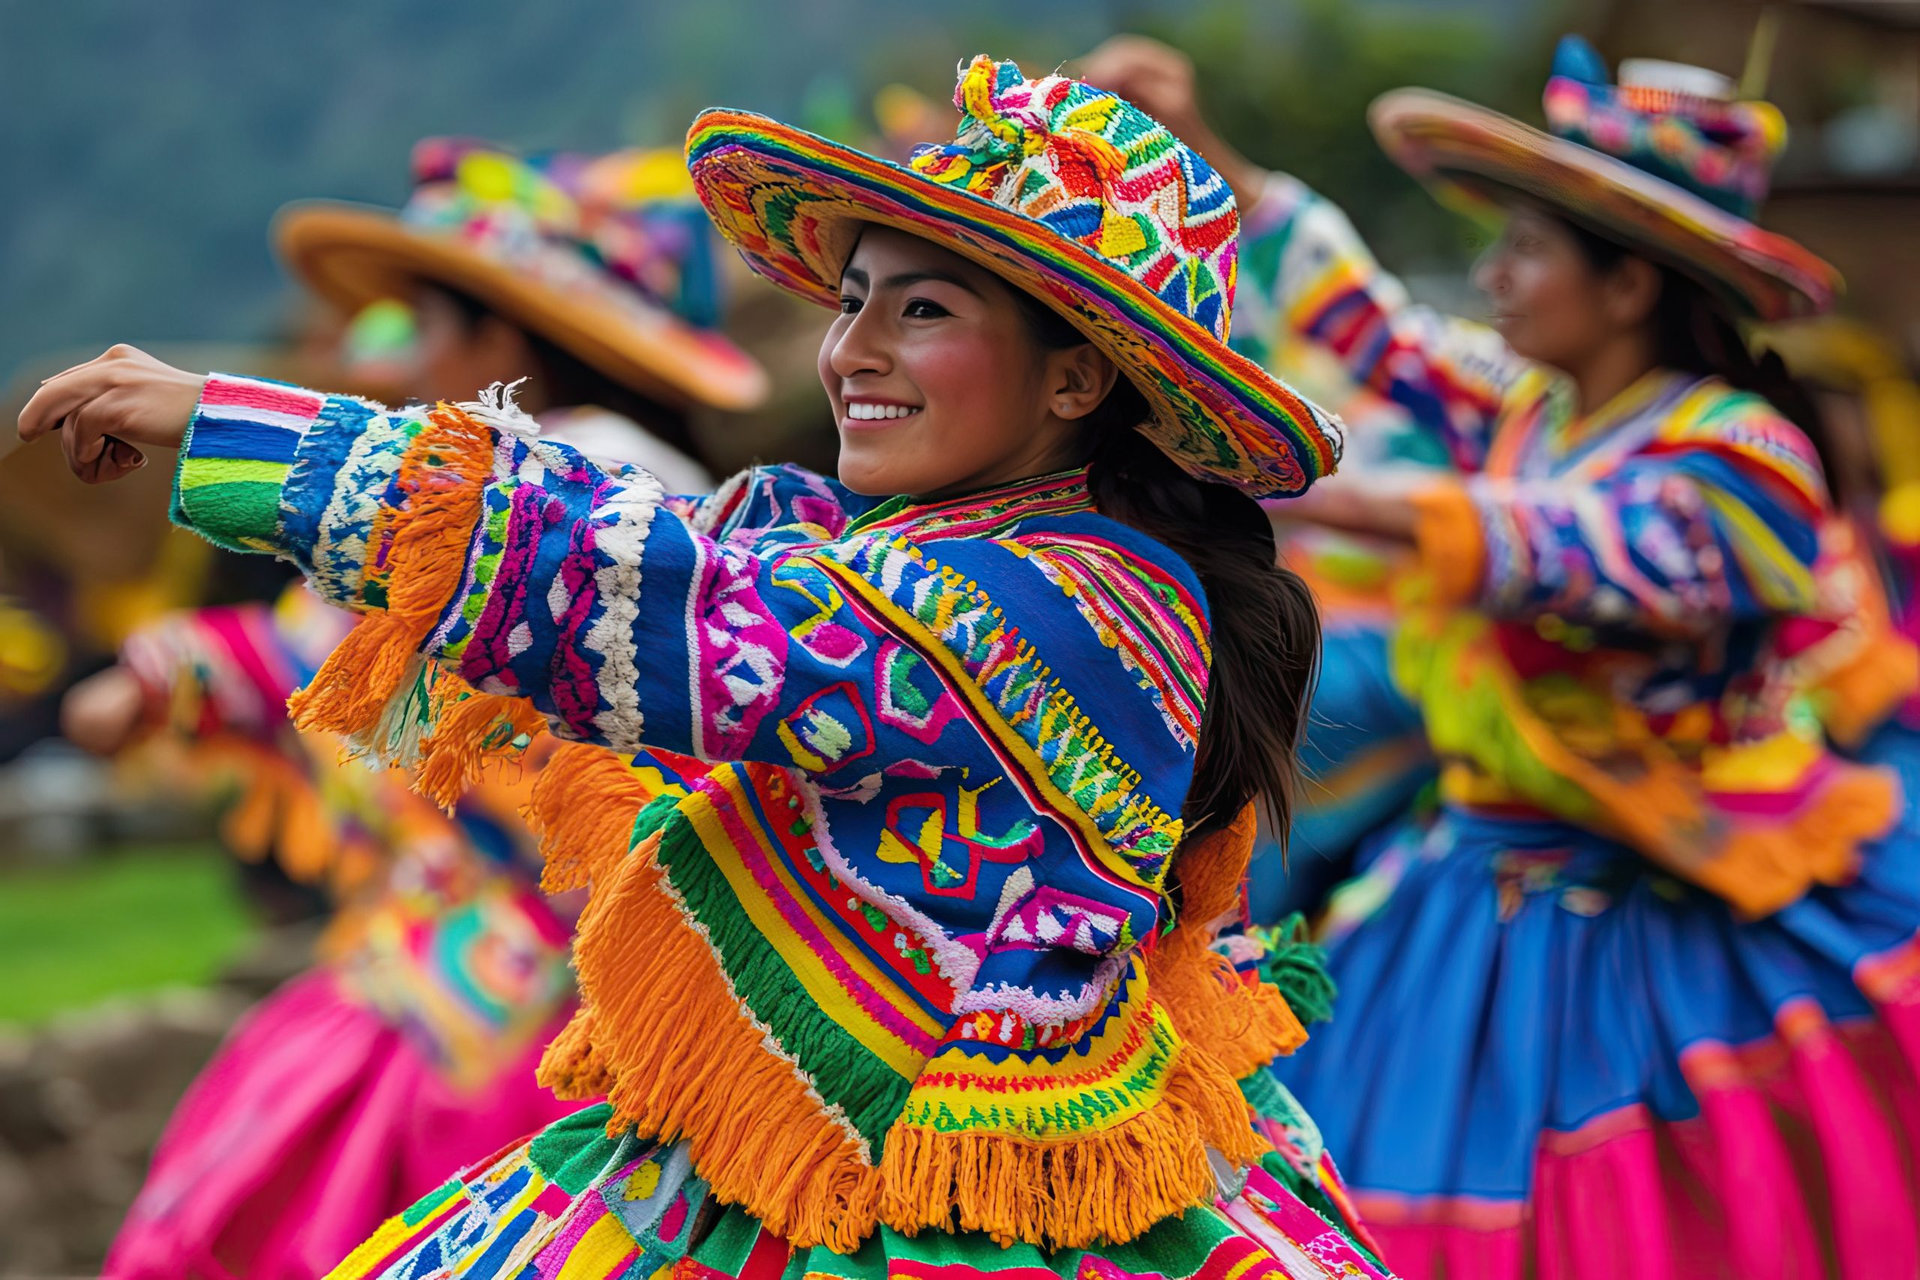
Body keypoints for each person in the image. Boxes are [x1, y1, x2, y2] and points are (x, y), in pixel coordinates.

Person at [19, 57, 1400, 1280]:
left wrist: (252, 432)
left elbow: (682, 603)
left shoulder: (1065, 602)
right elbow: (687, 563)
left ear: (1076, 381)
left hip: (935, 1194)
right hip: (771, 1138)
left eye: (920, 311)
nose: (851, 350)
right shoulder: (911, 547)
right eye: (852, 301)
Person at [1082, 32, 1920, 1279]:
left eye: (1526, 249)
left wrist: (1265, 468)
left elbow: (1564, 545)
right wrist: (1206, 162)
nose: (1494, 274)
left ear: (1629, 284)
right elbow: (1378, 333)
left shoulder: (1744, 458)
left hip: (1671, 904)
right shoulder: (1536, 407)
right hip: (1474, 879)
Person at [63, 140, 771, 1280]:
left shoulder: (584, 486)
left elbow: (347, 633)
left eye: (421, 330)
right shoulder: (542, 495)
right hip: (461, 962)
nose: (395, 364)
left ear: (499, 341)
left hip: (552, 991)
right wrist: (166, 674)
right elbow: (330, 639)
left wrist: (173, 660)